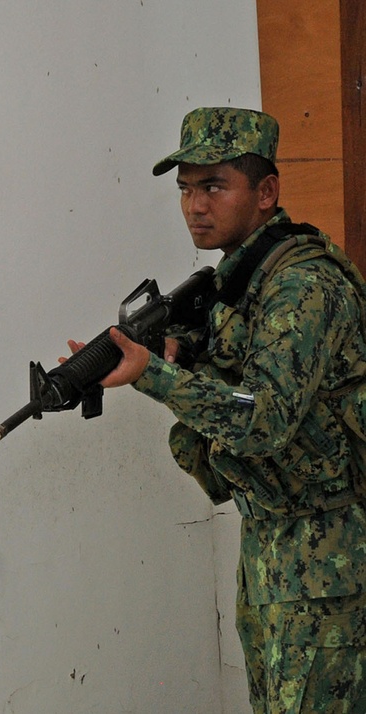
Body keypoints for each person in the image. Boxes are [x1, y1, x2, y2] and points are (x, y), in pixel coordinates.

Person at [75, 107, 366, 712]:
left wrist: (154, 376)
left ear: (266, 193)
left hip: (330, 558)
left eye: (213, 187)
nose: (194, 207)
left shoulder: (301, 285)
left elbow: (263, 418)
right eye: (185, 189)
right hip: (273, 548)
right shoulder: (242, 281)